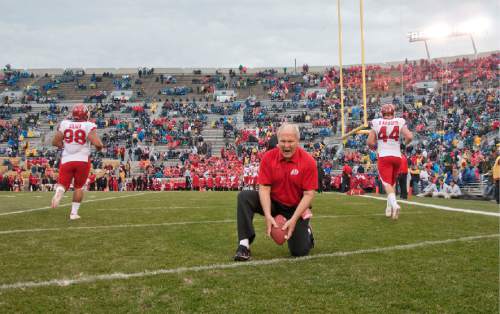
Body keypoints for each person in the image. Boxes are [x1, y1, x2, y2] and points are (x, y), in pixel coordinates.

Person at [234, 123, 318, 261]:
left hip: (295, 207)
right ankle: (244, 244)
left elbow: (309, 194)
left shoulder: (308, 161)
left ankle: (307, 231)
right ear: (277, 141)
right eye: (283, 141)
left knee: (299, 251)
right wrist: (267, 215)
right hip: (274, 203)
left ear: (298, 141)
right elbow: (264, 188)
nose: (286, 145)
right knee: (245, 196)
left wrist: (294, 219)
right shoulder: (268, 158)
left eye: (290, 141)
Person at [50, 104, 103, 220]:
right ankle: (73, 213)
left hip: (67, 158)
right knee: (79, 186)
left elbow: (55, 142)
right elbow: (98, 144)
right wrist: (99, 148)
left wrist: (66, 146)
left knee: (63, 184)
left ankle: (59, 192)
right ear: (84, 114)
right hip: (82, 159)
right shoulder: (88, 125)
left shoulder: (65, 123)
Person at [367, 103, 413, 219]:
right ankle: (389, 208)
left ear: (382, 113)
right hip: (397, 157)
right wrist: (403, 144)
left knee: (386, 183)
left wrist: (376, 147)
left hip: (384, 156)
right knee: (391, 183)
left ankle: (395, 205)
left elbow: (370, 142)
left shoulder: (377, 122)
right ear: (393, 112)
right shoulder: (399, 121)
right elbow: (410, 137)